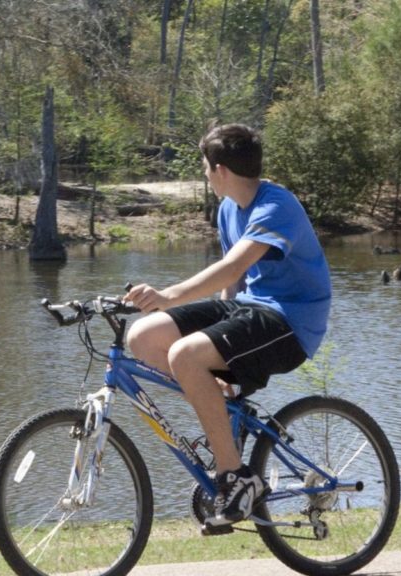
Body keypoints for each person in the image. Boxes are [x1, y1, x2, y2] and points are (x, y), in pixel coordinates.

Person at [123, 123, 331, 529]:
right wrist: (219, 348)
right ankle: (224, 415)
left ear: (220, 170)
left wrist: (168, 295)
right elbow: (232, 285)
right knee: (144, 336)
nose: (203, 173)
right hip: (249, 309)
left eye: (204, 165)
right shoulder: (227, 209)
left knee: (184, 353)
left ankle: (235, 476)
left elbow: (232, 266)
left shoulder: (277, 206)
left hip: (292, 321)